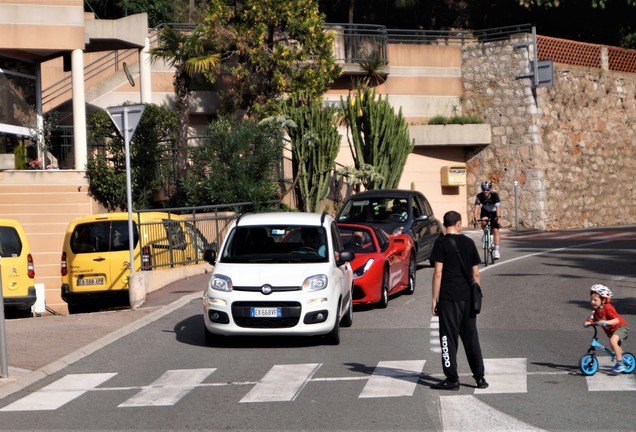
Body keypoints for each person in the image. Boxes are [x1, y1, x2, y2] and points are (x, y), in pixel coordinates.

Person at [430, 210, 488, 390]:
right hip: (468, 299)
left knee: (448, 338)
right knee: (471, 339)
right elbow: (476, 273)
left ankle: (452, 379)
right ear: (458, 224)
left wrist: (434, 298)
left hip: (449, 298)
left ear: (445, 224)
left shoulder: (440, 243)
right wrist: (476, 293)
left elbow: (438, 272)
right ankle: (480, 378)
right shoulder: (469, 243)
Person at [584, 284, 630, 373]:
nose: (592, 302)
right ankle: (622, 359)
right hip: (611, 331)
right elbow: (592, 319)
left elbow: (617, 320)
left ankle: (620, 364)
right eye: (591, 300)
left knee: (613, 341)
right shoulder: (596, 311)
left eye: (595, 300)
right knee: (615, 348)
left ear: (604, 300)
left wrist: (606, 322)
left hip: (621, 327)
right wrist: (588, 323)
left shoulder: (608, 308)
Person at [473, 180, 502, 259]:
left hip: (494, 212)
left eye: (487, 190)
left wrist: (498, 217)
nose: (486, 192)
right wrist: (474, 217)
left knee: (496, 230)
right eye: (484, 190)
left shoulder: (495, 195)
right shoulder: (479, 196)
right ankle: (486, 234)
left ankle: (496, 250)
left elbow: (498, 207)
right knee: (483, 221)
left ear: (490, 190)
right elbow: (477, 207)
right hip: (485, 211)